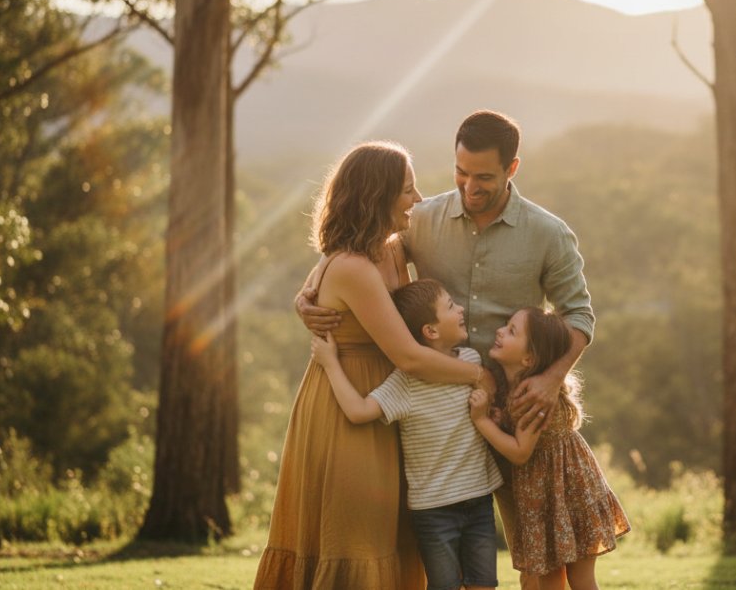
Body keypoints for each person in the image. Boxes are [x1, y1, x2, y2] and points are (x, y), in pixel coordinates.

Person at [296, 110, 597, 584]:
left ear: (511, 169)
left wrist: (549, 378)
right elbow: (354, 254)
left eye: (484, 177)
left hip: (514, 410)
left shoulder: (548, 233)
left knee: (542, 559)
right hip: (432, 419)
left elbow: (579, 316)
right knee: (425, 552)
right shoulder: (421, 220)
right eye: (461, 172)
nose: (469, 186)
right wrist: (306, 295)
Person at [254, 141, 486, 590]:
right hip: (347, 409)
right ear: (375, 197)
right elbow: (408, 355)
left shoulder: (394, 249)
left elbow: (318, 280)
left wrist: (303, 297)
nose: (417, 200)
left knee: (391, 535)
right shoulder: (353, 267)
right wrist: (481, 374)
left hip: (390, 402)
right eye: (406, 190)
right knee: (356, 538)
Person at [311, 278, 548, 590]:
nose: (460, 308)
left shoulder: (471, 362)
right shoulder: (405, 383)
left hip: (478, 501)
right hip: (434, 512)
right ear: (431, 331)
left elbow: (489, 413)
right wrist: (330, 364)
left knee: (485, 584)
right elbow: (358, 411)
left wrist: (490, 411)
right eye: (450, 306)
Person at [469, 307, 630, 590]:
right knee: (563, 580)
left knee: (567, 580)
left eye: (511, 331)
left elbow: (520, 451)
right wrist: (502, 418)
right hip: (558, 495)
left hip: (561, 495)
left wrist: (482, 421)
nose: (499, 331)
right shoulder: (523, 388)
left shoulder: (531, 397)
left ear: (528, 358)